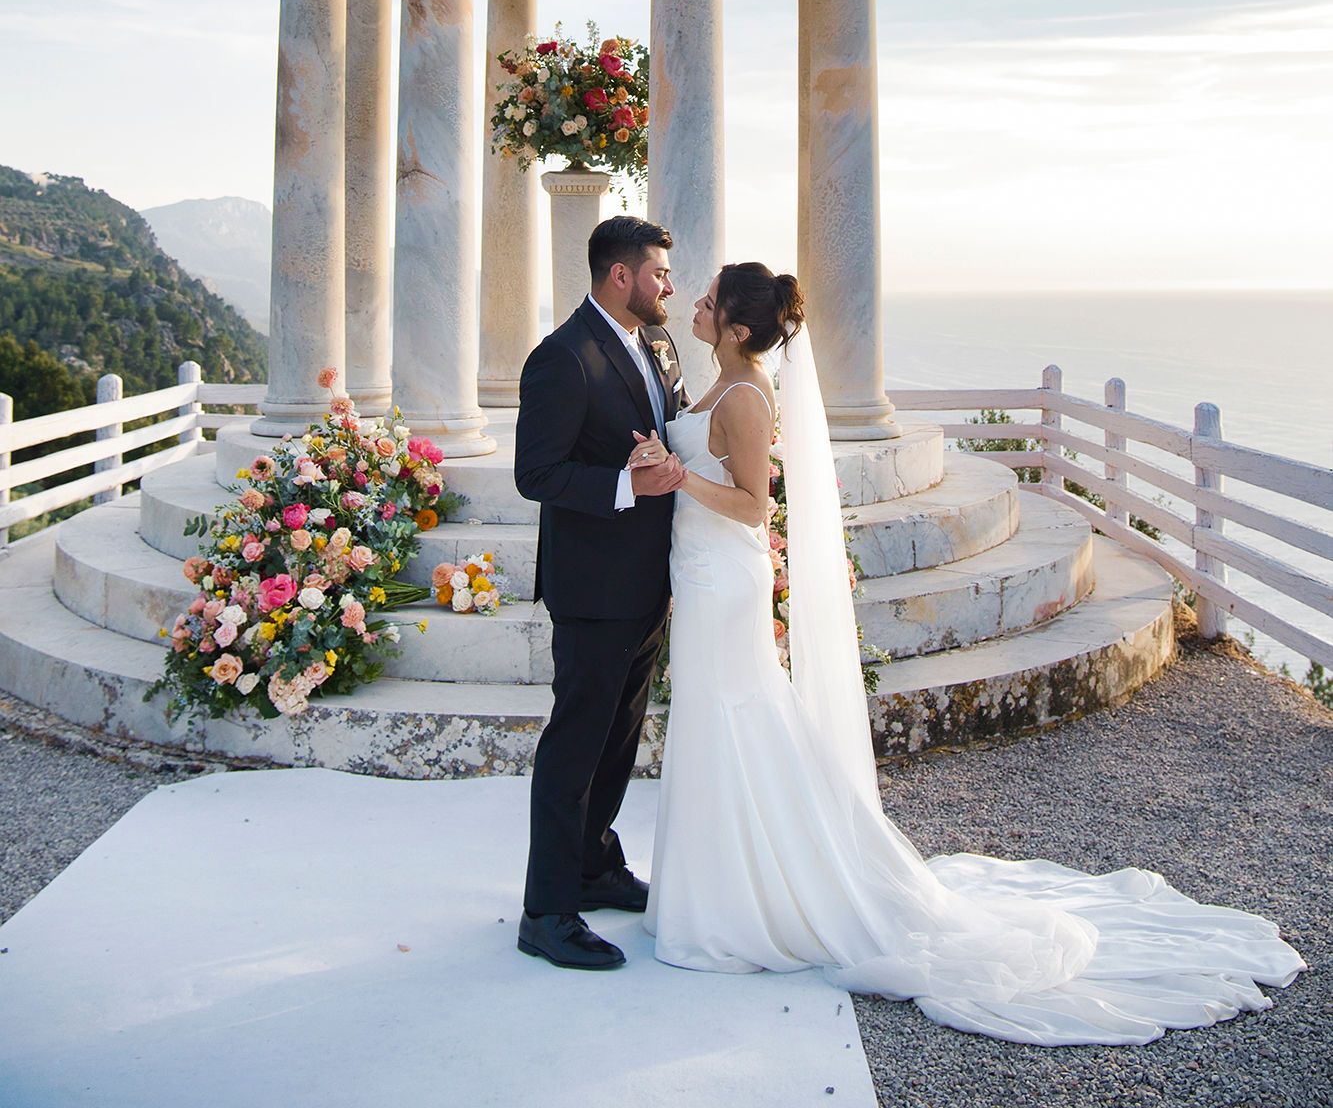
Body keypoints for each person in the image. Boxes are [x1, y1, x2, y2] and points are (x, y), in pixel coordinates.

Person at [636, 261, 1306, 1044]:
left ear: (739, 329)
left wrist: (676, 473)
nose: (697, 304)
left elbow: (753, 506)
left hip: (726, 576)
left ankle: (744, 904)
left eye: (711, 300)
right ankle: (720, 888)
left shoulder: (749, 395)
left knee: (734, 714)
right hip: (701, 571)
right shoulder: (719, 380)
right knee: (722, 720)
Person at [513, 214, 689, 971]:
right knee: (575, 744)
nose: (668, 286)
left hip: (650, 577)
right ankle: (545, 910)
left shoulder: (657, 343)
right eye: (658, 273)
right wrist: (625, 482)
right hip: (591, 584)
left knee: (620, 736)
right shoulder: (561, 358)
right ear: (620, 275)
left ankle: (593, 864)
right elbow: (536, 474)